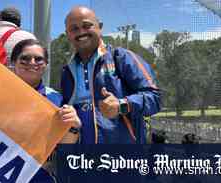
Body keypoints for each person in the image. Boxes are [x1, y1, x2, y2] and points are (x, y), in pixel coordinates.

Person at [61, 6, 161, 144]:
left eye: (86, 25)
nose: (81, 32)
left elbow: (155, 98)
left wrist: (122, 105)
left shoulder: (121, 57)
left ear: (100, 27)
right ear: (68, 34)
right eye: (74, 29)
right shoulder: (66, 71)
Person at [10, 39, 81, 182]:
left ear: (46, 65)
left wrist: (73, 127)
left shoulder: (57, 100)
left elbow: (64, 146)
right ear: (13, 62)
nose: (32, 62)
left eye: (38, 59)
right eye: (24, 58)